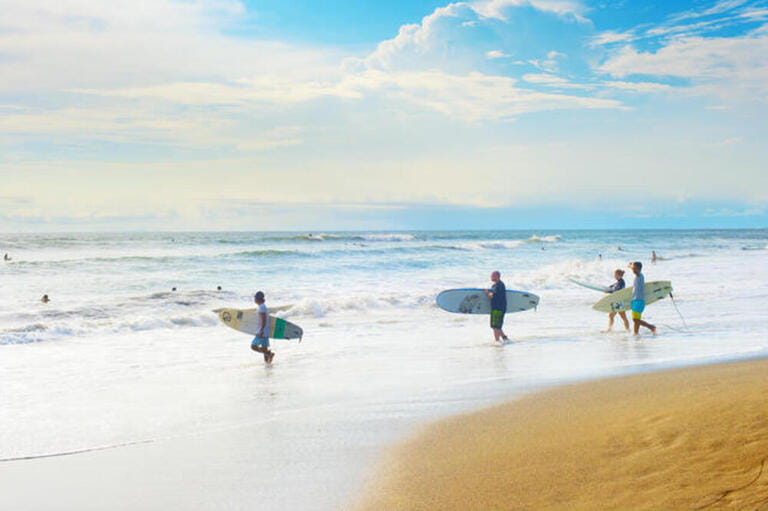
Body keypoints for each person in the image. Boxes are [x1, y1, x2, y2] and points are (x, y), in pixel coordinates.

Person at [629, 261, 656, 335]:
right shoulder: (638, 276)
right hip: (636, 300)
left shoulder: (639, 275)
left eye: (634, 268)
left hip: (638, 301)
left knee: (635, 320)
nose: (632, 270)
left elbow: (636, 271)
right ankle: (636, 334)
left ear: (637, 269)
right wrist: (631, 265)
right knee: (636, 320)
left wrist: (630, 265)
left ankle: (651, 327)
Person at [484, 271, 509, 342]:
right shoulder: (495, 285)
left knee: (495, 327)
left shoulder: (499, 285)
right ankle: (505, 338)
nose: (491, 277)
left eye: (492, 276)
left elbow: (493, 296)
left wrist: (487, 293)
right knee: (496, 326)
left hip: (498, 309)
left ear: (497, 276)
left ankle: (497, 342)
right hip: (497, 308)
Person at [251, 291, 274, 363]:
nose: (254, 299)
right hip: (265, 331)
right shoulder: (263, 306)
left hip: (262, 331)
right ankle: (268, 366)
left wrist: (261, 331)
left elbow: (264, 320)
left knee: (253, 346)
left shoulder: (261, 307)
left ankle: (269, 354)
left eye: (255, 297)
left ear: (258, 299)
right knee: (264, 349)